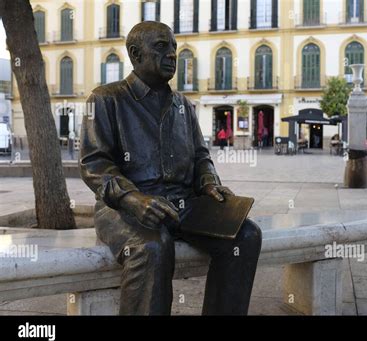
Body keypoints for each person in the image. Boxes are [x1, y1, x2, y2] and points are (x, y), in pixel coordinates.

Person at [80, 22, 262, 316]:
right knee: (152, 247)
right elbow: (94, 163)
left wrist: (209, 183)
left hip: (183, 206)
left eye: (175, 48)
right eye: (162, 47)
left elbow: (201, 157)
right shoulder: (105, 99)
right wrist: (132, 198)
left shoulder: (184, 106)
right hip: (124, 208)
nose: (173, 55)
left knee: (246, 235)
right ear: (135, 54)